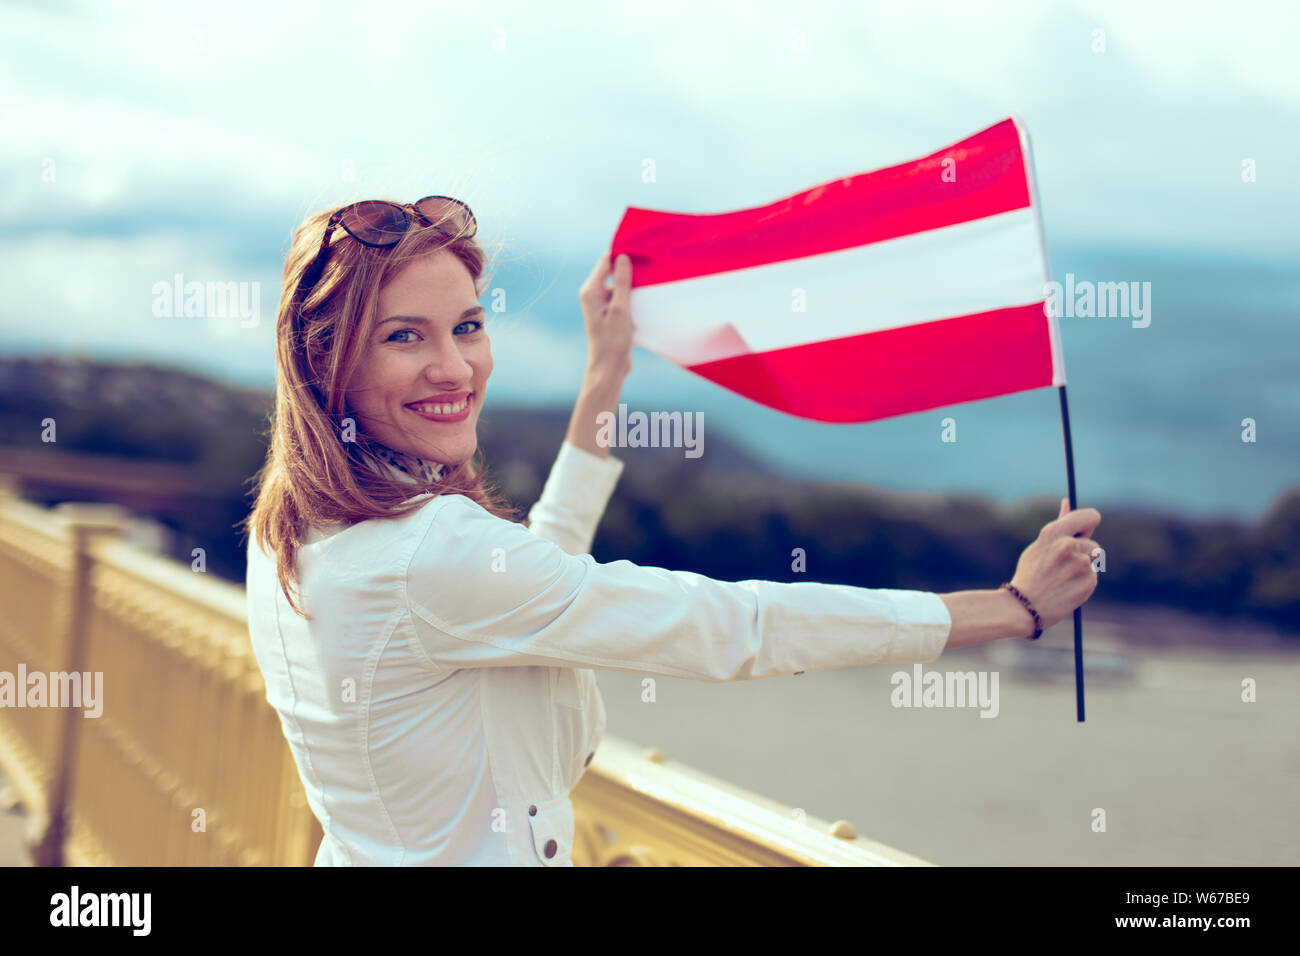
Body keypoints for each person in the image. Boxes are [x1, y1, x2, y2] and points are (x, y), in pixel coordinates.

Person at [240, 194, 1103, 867]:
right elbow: (731, 626)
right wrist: (1009, 608)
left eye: (468, 325)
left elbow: (533, 583)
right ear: (327, 361)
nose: (457, 366)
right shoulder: (426, 554)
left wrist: (606, 374)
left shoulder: (292, 532)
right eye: (405, 337)